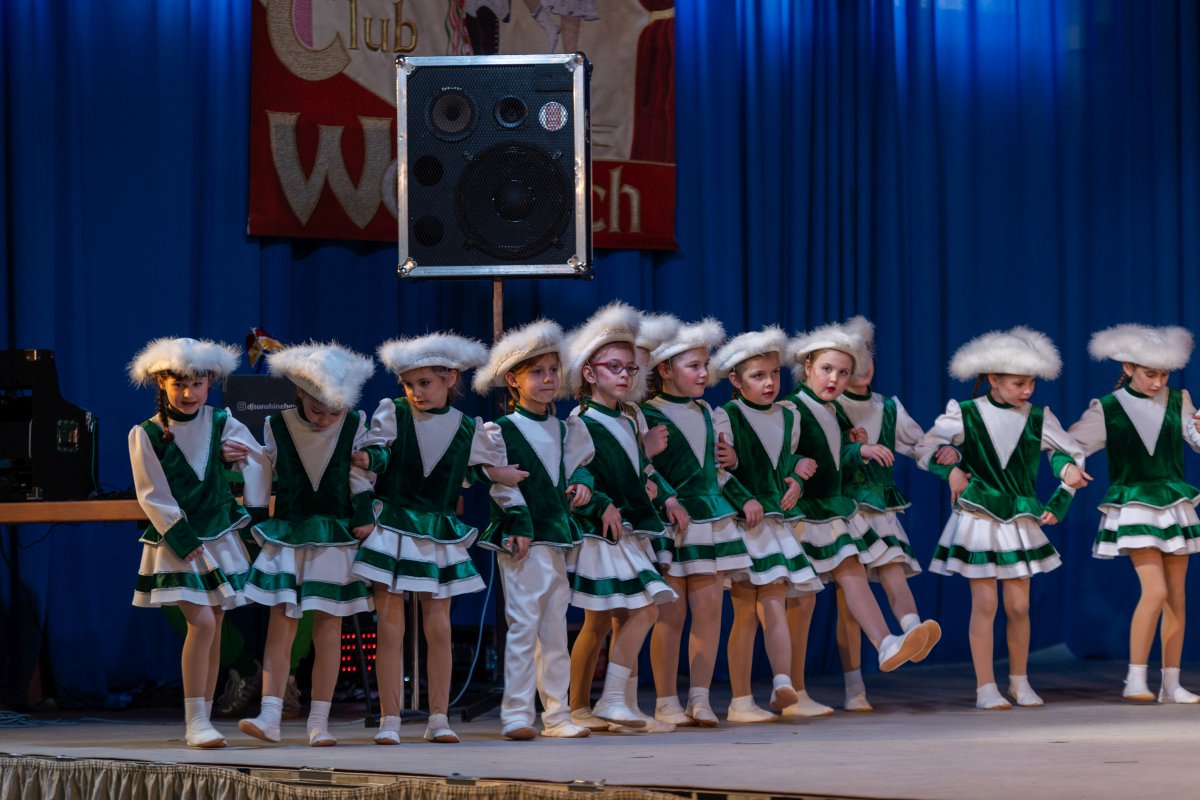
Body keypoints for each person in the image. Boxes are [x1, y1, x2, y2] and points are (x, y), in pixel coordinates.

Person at [351, 332, 527, 744]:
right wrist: (368, 457)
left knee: (440, 628)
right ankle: (390, 719)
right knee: (390, 627)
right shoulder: (394, 412)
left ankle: (439, 718)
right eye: (409, 384)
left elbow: (465, 469)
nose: (416, 392)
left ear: (450, 378)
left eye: (425, 383)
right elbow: (381, 454)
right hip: (393, 526)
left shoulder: (469, 428)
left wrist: (495, 475)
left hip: (439, 531)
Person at [916, 327, 1089, 710]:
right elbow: (927, 446)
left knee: (1019, 606)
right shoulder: (966, 413)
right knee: (985, 604)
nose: (1027, 390)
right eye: (1018, 383)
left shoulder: (1039, 417)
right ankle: (985, 686)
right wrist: (951, 469)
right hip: (979, 517)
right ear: (993, 379)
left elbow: (1068, 453)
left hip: (1019, 518)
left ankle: (1019, 681)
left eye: (1031, 383)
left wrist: (1065, 482)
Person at [780, 323, 937, 701]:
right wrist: (794, 468)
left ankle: (885, 643)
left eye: (843, 372)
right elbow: (775, 452)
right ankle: (791, 688)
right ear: (807, 367)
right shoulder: (792, 409)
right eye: (827, 369)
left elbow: (834, 455)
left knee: (850, 572)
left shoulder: (832, 410)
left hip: (831, 511)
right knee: (800, 604)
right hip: (802, 514)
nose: (835, 379)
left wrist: (855, 449)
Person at [128, 337, 272, 748]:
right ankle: (194, 721)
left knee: (216, 624)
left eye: (197, 384)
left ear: (210, 382)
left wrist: (250, 501)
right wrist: (180, 535)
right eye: (179, 384)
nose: (189, 393)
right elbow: (151, 492)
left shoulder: (221, 422)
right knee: (203, 622)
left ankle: (203, 718)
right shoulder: (146, 433)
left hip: (218, 535)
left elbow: (259, 460)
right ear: (161, 382)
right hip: (179, 540)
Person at [239, 343, 376, 746]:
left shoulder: (354, 423)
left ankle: (320, 721)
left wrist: (363, 513)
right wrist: (256, 520)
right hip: (291, 531)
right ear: (299, 391)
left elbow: (358, 475)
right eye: (318, 410)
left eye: (335, 411)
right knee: (282, 621)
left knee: (329, 626)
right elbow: (261, 472)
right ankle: (270, 714)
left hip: (334, 535)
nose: (326, 419)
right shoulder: (277, 424)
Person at [473, 319, 597, 740]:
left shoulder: (565, 429)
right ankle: (516, 714)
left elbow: (580, 468)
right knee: (524, 627)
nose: (548, 379)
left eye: (553, 371)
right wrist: (519, 522)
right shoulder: (501, 430)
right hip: (521, 541)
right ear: (513, 380)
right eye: (537, 372)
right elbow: (501, 484)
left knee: (555, 631)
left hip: (556, 537)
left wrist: (582, 484)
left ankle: (557, 714)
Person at [563, 303, 684, 732]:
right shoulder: (582, 419)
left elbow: (638, 469)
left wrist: (661, 494)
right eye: (613, 367)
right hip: (603, 531)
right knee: (637, 610)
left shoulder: (630, 416)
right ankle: (599, 702)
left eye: (631, 369)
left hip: (630, 528)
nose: (625, 376)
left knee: (615, 617)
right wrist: (601, 502)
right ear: (590, 373)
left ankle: (614, 707)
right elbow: (575, 475)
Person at [1068, 324, 1200, 703]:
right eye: (1149, 374)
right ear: (1128, 367)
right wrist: (1069, 467)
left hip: (1173, 505)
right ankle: (1135, 678)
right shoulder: (1107, 408)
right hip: (1135, 505)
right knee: (1155, 590)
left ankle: (1171, 684)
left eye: (1164, 375)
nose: (1158, 382)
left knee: (1176, 596)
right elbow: (1070, 444)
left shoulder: (1178, 400)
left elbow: (1195, 440)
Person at [641, 319, 755, 727]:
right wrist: (664, 491)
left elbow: (715, 472)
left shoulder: (708, 412)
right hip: (673, 523)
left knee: (709, 612)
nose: (705, 374)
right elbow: (642, 469)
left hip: (711, 521)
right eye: (694, 366)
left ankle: (700, 698)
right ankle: (665, 700)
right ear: (665, 369)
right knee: (671, 616)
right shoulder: (646, 414)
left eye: (705, 365)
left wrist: (743, 493)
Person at [832, 316, 946, 711]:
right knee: (848, 601)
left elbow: (919, 444)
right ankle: (854, 687)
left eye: (868, 356)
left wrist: (945, 459)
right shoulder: (830, 406)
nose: (863, 366)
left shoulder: (887, 407)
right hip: (842, 509)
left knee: (893, 570)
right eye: (854, 359)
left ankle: (913, 632)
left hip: (879, 509)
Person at [711, 326, 824, 723]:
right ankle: (740, 700)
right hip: (745, 525)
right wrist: (744, 498)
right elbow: (718, 470)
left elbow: (780, 463)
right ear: (735, 380)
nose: (770, 383)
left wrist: (796, 478)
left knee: (776, 601)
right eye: (758, 376)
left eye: (774, 373)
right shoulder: (726, 416)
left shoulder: (789, 415)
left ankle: (782, 682)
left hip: (776, 525)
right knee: (745, 612)